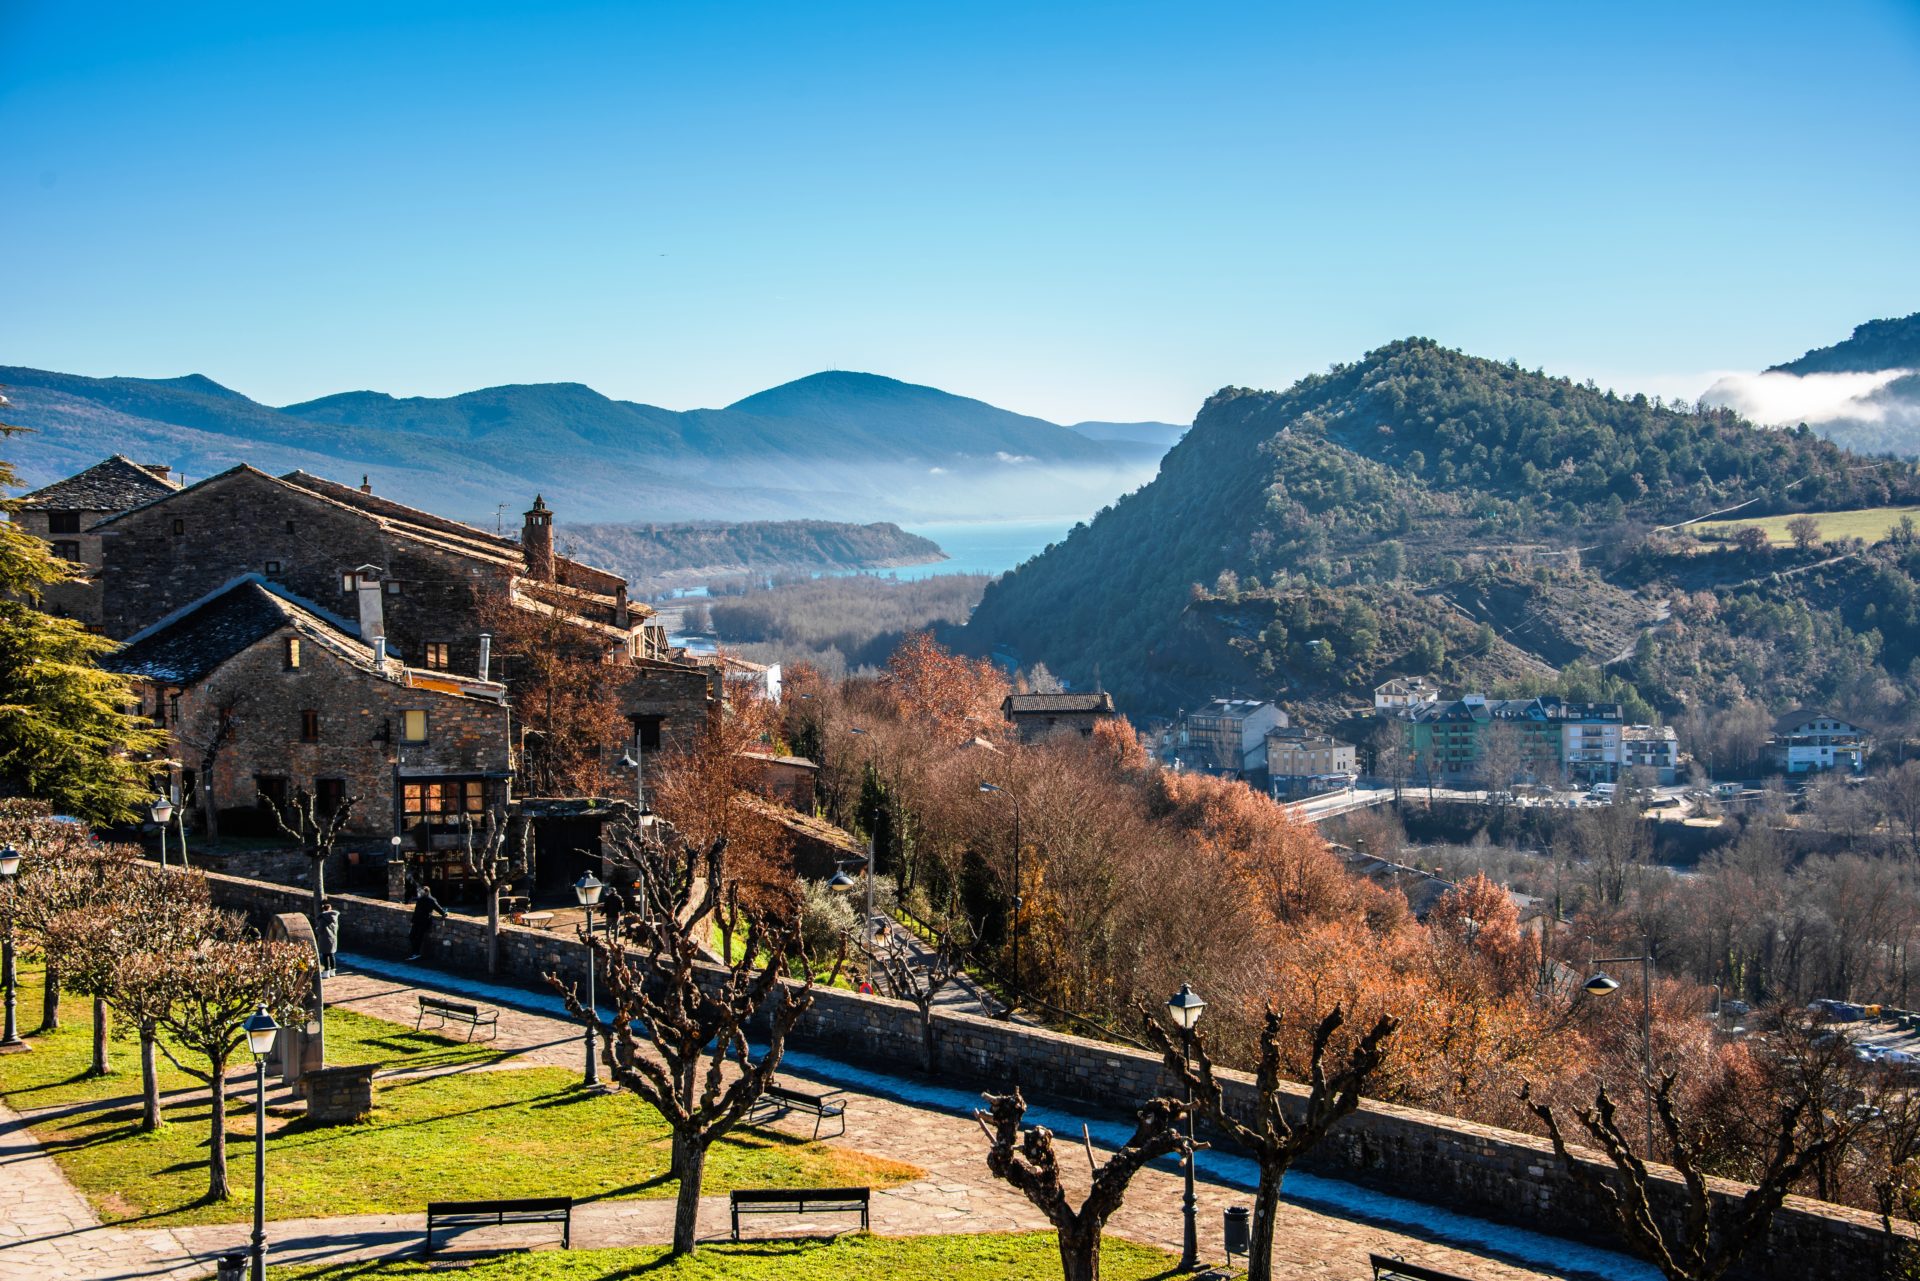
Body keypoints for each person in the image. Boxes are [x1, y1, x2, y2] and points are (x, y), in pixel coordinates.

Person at [409, 883, 447, 961]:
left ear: (426, 892)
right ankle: (414, 952)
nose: (420, 893)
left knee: (418, 937)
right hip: (416, 921)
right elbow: (416, 911)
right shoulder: (420, 899)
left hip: (424, 921)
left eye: (422, 892)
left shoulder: (431, 900)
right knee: (412, 936)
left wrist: (444, 913)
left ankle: (416, 953)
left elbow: (438, 908)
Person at [317, 898, 341, 977]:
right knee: (331, 955)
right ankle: (332, 971)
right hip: (333, 938)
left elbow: (320, 930)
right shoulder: (335, 918)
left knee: (325, 955)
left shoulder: (322, 918)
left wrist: (316, 929)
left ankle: (326, 971)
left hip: (324, 938)